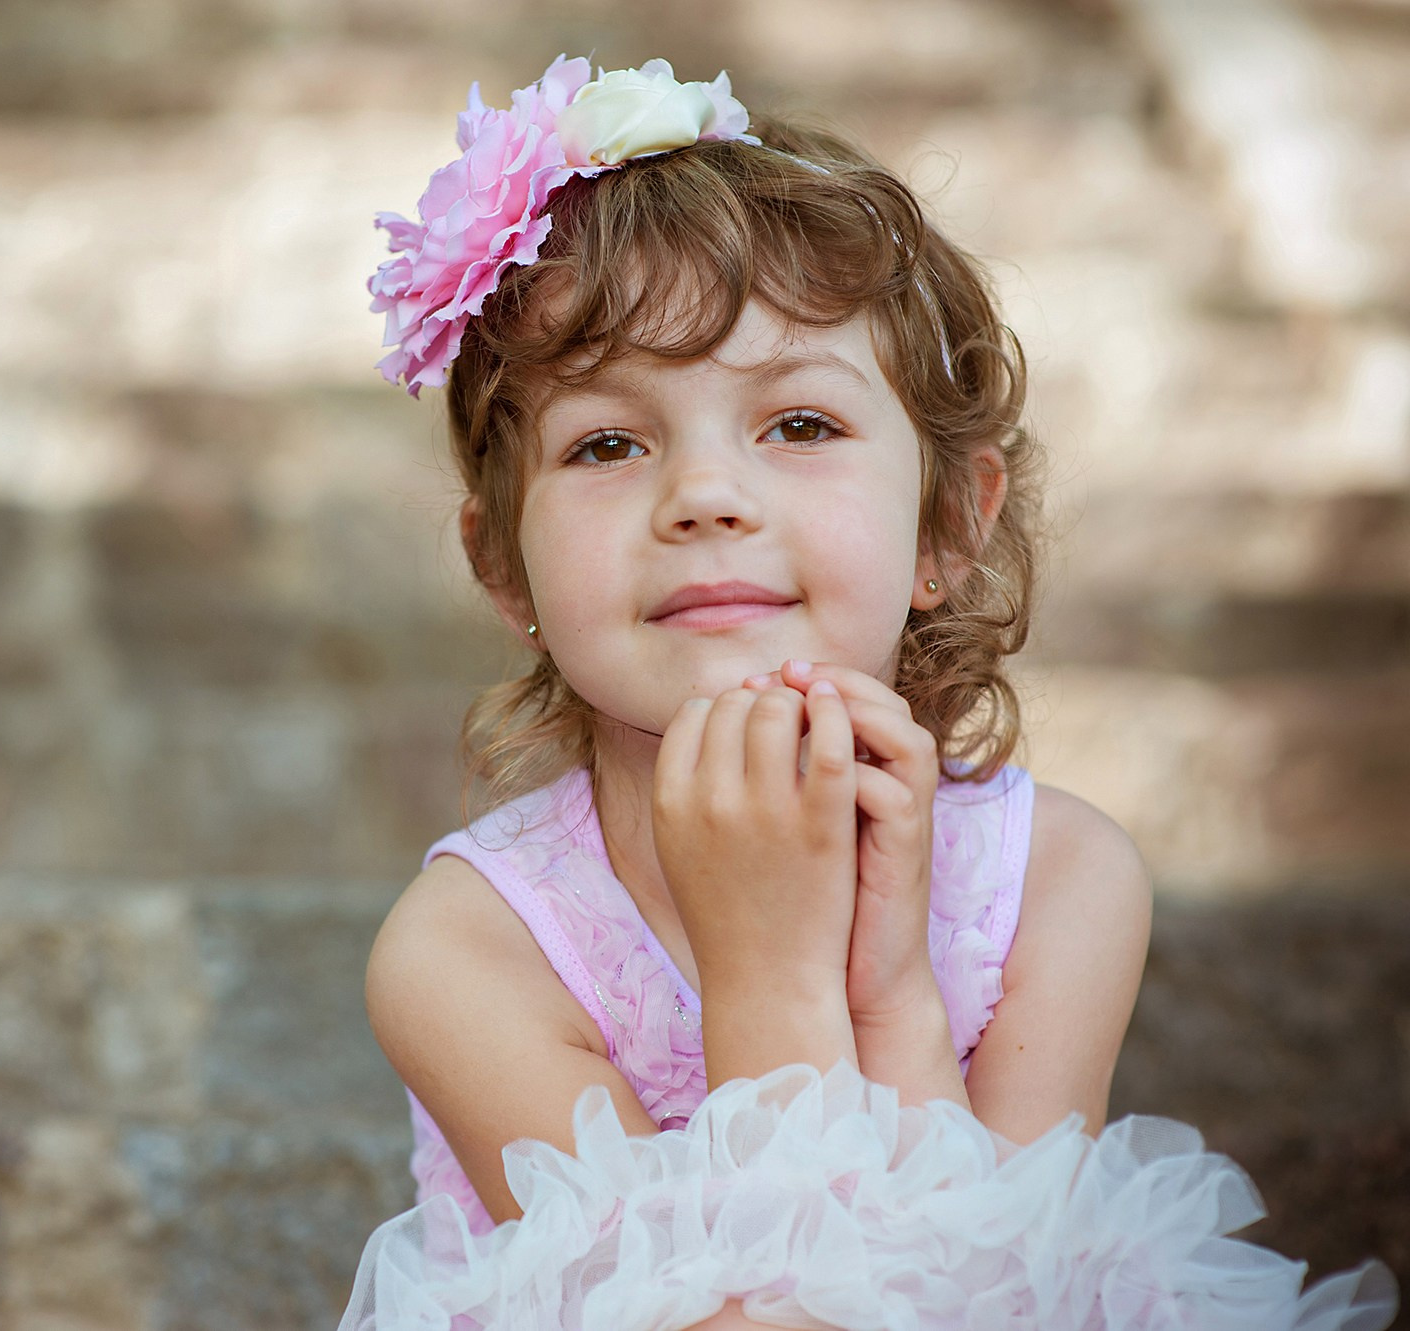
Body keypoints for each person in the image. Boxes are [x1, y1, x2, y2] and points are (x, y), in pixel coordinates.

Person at [340, 54, 1401, 1331]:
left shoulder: (1058, 880)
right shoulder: (468, 949)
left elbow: (1000, 1306)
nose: (704, 494)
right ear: (502, 562)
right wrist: (774, 974)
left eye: (796, 423)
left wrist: (893, 989)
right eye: (607, 442)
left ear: (947, 522)